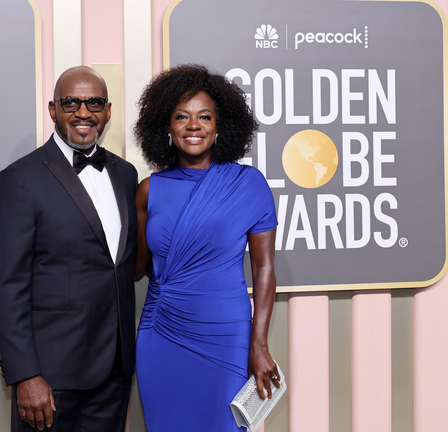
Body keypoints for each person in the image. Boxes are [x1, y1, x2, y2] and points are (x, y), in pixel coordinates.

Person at [0, 65, 138, 432]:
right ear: (53, 110)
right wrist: (26, 375)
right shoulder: (19, 179)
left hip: (114, 370)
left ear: (108, 111)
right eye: (71, 102)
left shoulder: (126, 174)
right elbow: (6, 287)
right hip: (50, 376)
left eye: (94, 103)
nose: (83, 113)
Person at [133, 64, 280, 431]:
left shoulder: (249, 184)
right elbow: (136, 268)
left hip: (226, 333)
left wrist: (258, 343)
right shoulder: (149, 190)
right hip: (160, 331)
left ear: (220, 126)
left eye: (204, 117)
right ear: (166, 126)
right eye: (181, 117)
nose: (193, 126)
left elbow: (264, 269)